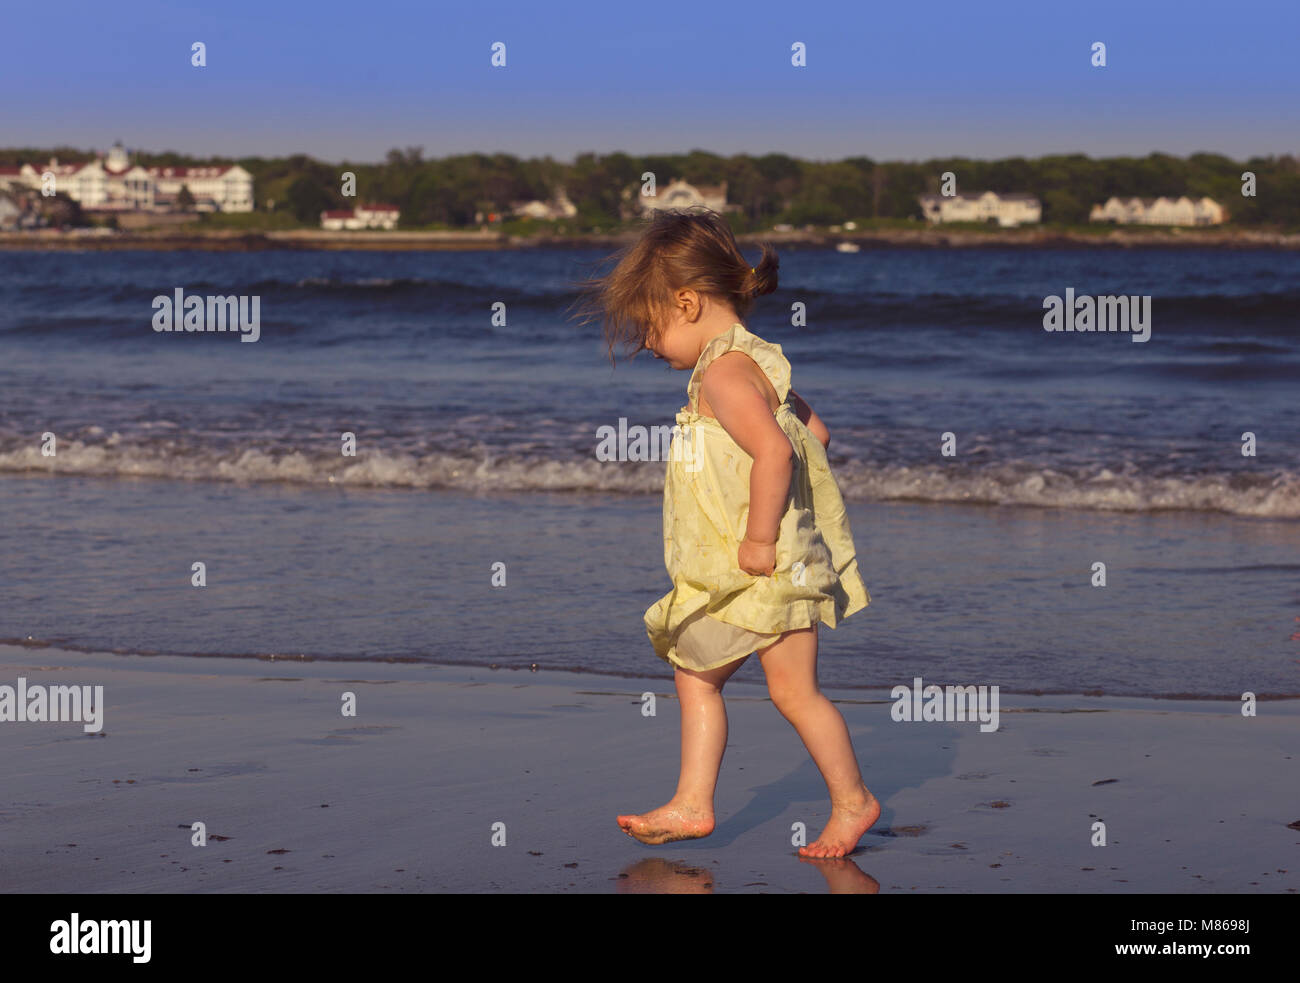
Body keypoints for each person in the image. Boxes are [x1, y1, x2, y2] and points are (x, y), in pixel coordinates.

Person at [569, 206, 878, 858]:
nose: (648, 344)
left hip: (761, 565)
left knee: (735, 679)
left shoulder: (722, 373)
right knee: (751, 681)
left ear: (685, 302)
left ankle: (740, 802)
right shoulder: (759, 363)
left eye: (649, 327)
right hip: (777, 561)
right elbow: (813, 435)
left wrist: (761, 537)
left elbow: (778, 452)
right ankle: (790, 801)